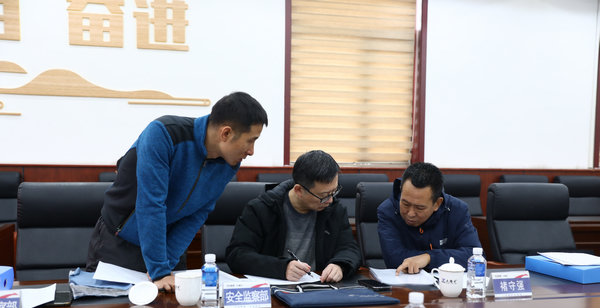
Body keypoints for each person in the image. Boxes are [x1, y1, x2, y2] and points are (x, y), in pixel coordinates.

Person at [86, 92, 268, 291]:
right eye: (251, 140)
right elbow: (151, 204)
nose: (251, 151)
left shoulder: (229, 162)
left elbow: (198, 213)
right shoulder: (164, 134)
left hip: (167, 249)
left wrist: (166, 263)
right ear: (225, 133)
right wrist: (159, 270)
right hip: (119, 242)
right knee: (111, 307)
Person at [226, 150, 360, 282]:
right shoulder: (262, 209)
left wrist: (340, 265)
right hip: (275, 288)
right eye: (324, 196)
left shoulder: (333, 210)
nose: (330, 200)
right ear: (299, 190)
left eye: (334, 192)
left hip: (320, 286)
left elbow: (350, 248)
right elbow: (237, 255)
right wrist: (282, 268)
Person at [377, 162, 481, 274]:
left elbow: (475, 257)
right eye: (405, 204)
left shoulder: (457, 209)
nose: (410, 213)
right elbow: (394, 260)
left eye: (419, 208)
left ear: (437, 204)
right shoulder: (387, 211)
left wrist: (429, 258)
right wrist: (443, 258)